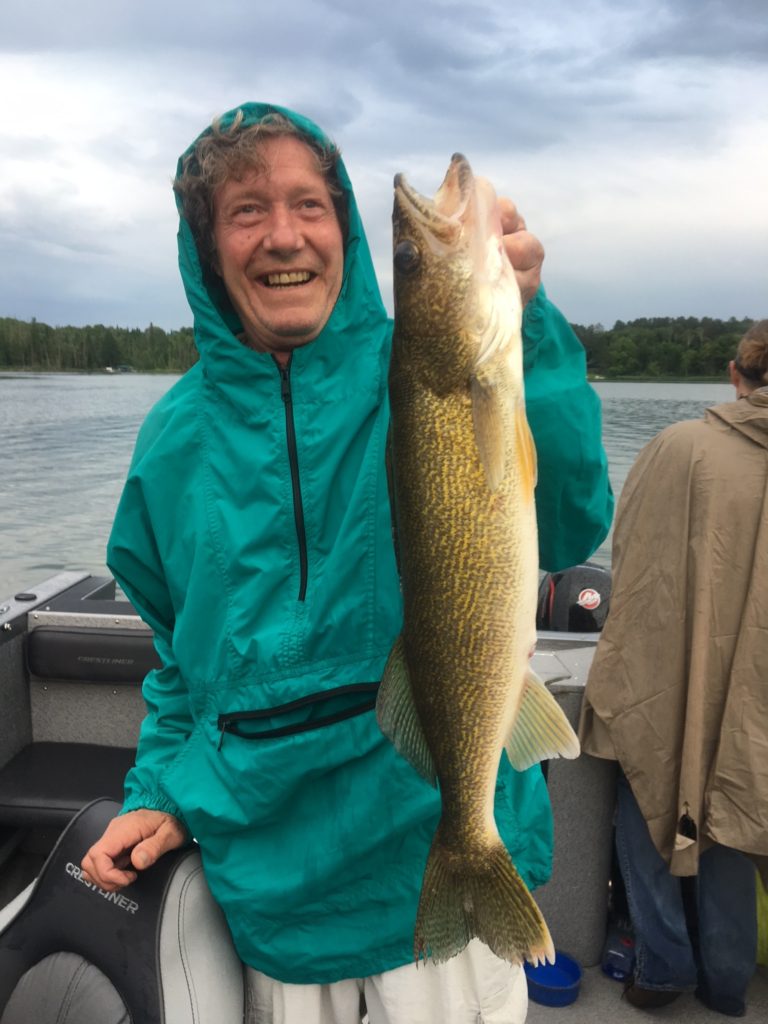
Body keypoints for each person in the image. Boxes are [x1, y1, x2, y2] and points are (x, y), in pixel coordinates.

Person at [81, 102, 613, 1023]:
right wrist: (159, 792)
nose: (283, 235)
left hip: (426, 858)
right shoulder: (169, 448)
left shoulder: (422, 371)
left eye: (308, 205)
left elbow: (565, 522)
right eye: (247, 211)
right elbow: (183, 670)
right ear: (209, 247)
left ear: (345, 232)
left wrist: (529, 326)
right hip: (274, 894)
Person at [579, 320, 768, 1018]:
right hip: (757, 699)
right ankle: (726, 983)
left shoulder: (678, 448)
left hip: (673, 671)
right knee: (735, 821)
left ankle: (660, 970)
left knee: (647, 799)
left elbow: (631, 561)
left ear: (733, 373)